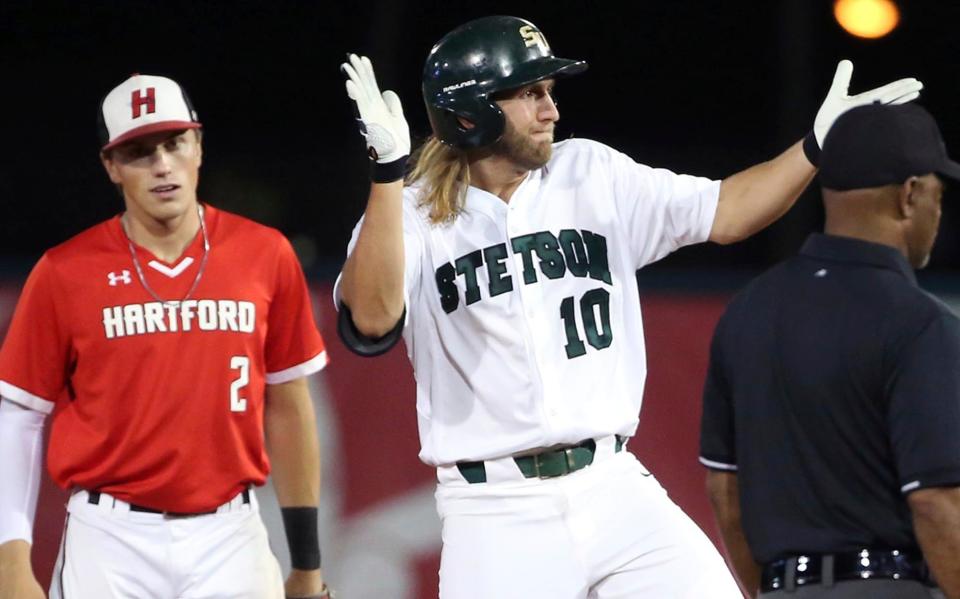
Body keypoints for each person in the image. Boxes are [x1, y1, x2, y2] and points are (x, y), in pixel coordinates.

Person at [336, 15, 922, 599]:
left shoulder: (589, 171)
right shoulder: (410, 215)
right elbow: (371, 318)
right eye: (531, 94)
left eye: (550, 92)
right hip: (494, 509)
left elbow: (727, 212)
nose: (551, 110)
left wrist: (815, 146)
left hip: (612, 486)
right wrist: (387, 177)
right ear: (472, 112)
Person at [0, 74, 332, 599]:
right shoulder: (64, 272)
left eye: (174, 143)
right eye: (138, 151)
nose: (161, 165)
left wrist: (308, 567)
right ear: (111, 166)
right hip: (109, 538)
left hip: (231, 533)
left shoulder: (264, 255)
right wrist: (11, 565)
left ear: (199, 146)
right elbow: (17, 416)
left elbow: (289, 407)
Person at [700, 103, 960, 599]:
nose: (938, 210)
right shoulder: (920, 323)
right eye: (938, 194)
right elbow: (936, 501)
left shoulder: (748, 311)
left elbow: (724, 491)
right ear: (909, 195)